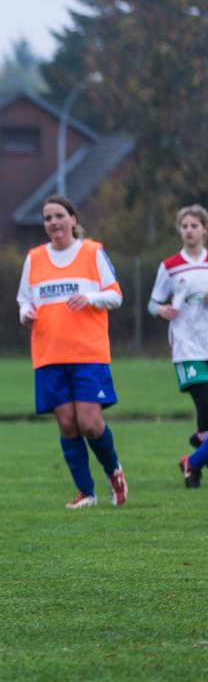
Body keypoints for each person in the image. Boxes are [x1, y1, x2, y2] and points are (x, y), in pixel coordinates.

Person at [16, 195, 127, 509]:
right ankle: (86, 493)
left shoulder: (92, 252)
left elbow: (115, 296)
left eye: (59, 216)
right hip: (49, 354)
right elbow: (24, 299)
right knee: (67, 423)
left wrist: (90, 298)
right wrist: (26, 313)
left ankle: (113, 471)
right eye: (48, 218)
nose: (53, 222)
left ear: (73, 219)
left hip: (88, 353)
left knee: (90, 423)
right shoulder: (35, 257)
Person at [147, 205, 208, 487]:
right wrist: (160, 311)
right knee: (206, 403)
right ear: (179, 230)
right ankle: (195, 456)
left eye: (194, 225)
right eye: (185, 226)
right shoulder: (170, 266)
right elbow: (153, 303)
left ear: (204, 229)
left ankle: (194, 459)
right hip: (186, 347)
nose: (189, 230)